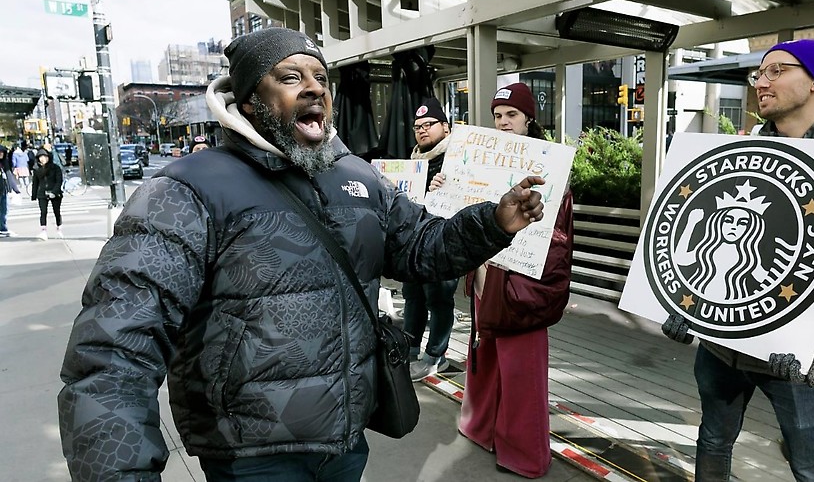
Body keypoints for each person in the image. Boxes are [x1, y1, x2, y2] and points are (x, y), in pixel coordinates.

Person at [57, 27, 546, 482]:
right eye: (291, 77)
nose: (314, 88)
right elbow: (114, 352)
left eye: (320, 77)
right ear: (250, 101)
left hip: (345, 442)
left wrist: (492, 223)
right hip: (251, 456)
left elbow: (420, 246)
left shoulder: (358, 176)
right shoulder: (186, 190)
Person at [661, 38, 814, 481]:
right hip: (722, 347)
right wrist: (683, 304)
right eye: (759, 73)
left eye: (777, 71)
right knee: (712, 441)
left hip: (801, 362)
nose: (761, 82)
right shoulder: (736, 157)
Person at [455, 82, 574, 478]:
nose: (503, 123)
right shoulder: (481, 162)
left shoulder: (552, 169)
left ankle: (525, 452)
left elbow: (555, 239)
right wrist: (444, 190)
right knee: (485, 356)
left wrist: (528, 287)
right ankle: (480, 427)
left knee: (521, 369)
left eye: (511, 115)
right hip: (486, 272)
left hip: (521, 282)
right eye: (498, 115)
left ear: (528, 119)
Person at [403, 96, 460, 380]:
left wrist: (446, 188)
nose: (422, 130)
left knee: (438, 299)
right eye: (417, 127)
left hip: (444, 243)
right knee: (412, 296)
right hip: (414, 242)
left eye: (429, 124)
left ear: (445, 128)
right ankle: (409, 350)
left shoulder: (458, 159)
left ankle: (436, 356)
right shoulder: (413, 162)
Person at [30, 149, 64, 240]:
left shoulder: (55, 168)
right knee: (43, 212)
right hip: (42, 193)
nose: (42, 159)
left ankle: (59, 228)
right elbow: (35, 183)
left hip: (55, 192)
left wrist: (54, 192)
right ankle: (43, 231)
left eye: (45, 157)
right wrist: (34, 195)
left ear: (48, 157)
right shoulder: (37, 169)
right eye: (40, 157)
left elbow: (59, 181)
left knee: (56, 211)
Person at [0, 145, 20, 237]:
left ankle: (2, 227)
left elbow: (9, 175)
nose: (1, 154)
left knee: (4, 210)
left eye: (2, 152)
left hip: (4, 189)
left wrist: (15, 188)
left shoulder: (5, 163)